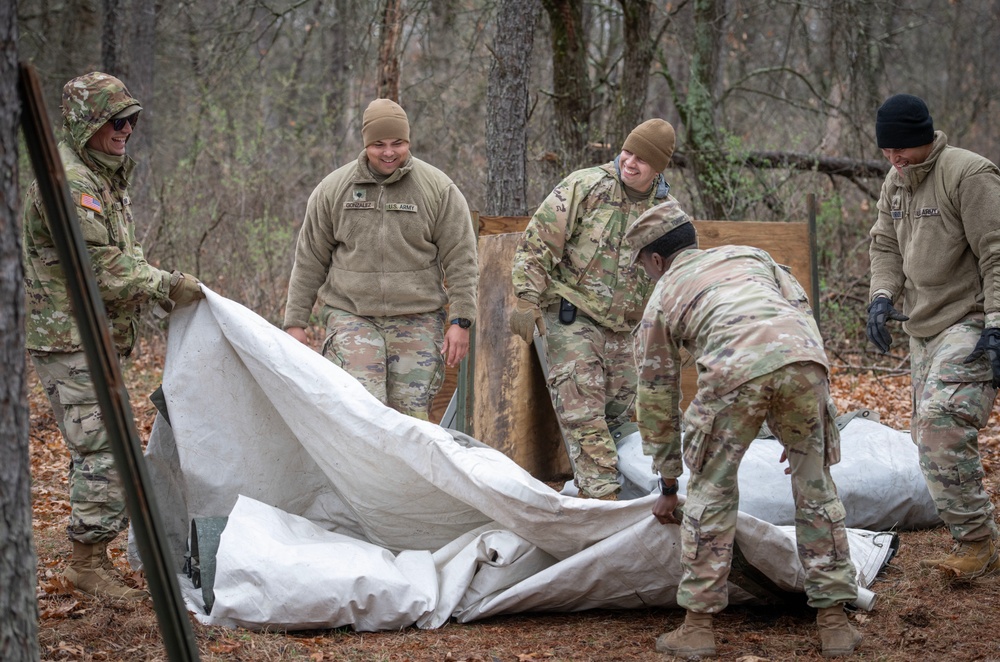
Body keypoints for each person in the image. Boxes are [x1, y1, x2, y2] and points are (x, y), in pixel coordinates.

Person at [625, 201, 862, 658]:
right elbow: (799, 317)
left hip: (734, 375)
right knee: (815, 487)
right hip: (803, 363)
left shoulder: (664, 292)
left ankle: (696, 628)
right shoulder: (753, 256)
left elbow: (655, 395)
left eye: (644, 267)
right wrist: (811, 415)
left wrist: (670, 483)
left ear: (655, 260)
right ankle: (834, 621)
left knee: (712, 492)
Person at [23, 71, 204, 600]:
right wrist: (163, 284)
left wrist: (156, 284)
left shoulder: (103, 176)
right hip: (71, 339)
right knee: (104, 448)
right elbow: (98, 265)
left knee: (105, 443)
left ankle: (93, 555)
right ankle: (85, 563)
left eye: (131, 120)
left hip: (96, 337)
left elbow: (121, 254)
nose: (126, 129)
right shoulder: (73, 183)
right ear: (87, 124)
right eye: (114, 120)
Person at [866, 93, 1000, 577]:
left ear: (924, 137)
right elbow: (884, 245)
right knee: (924, 437)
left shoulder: (968, 174)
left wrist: (998, 323)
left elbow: (996, 252)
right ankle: (977, 537)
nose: (893, 159)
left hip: (972, 319)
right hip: (923, 328)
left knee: (942, 427)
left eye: (900, 149)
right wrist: (882, 296)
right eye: (886, 151)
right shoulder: (895, 182)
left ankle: (977, 542)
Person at [508, 119, 677, 500]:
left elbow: (679, 272)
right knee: (584, 414)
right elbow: (538, 243)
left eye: (642, 160)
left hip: (627, 329)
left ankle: (606, 498)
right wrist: (526, 298)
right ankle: (603, 504)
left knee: (617, 420)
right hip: (574, 315)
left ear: (660, 168)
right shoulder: (585, 186)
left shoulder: (667, 212)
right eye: (627, 152)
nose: (630, 163)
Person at [283, 99, 478, 421]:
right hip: (352, 315)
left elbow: (462, 259)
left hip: (418, 316)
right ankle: (357, 474)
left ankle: (408, 474)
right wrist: (295, 324)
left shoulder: (438, 189)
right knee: (362, 411)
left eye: (397, 143)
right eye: (378, 144)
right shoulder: (333, 190)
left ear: (409, 142)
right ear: (365, 145)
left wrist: (461, 320)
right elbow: (309, 259)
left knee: (411, 418)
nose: (389, 152)